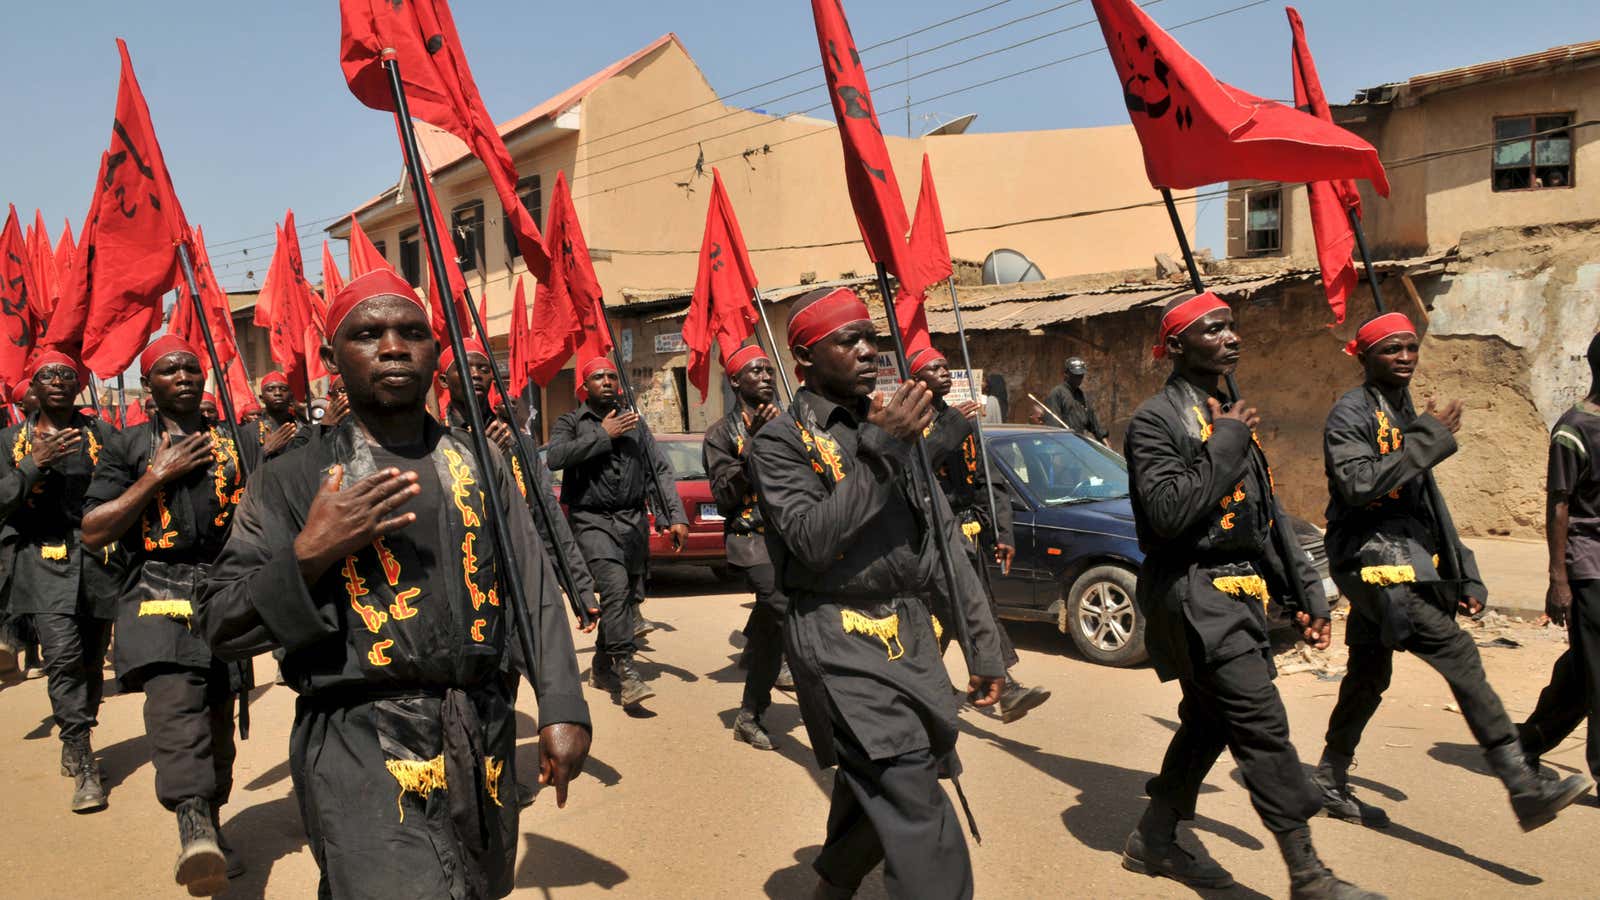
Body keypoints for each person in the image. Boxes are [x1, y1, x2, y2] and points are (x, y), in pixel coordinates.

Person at [196, 271, 591, 899]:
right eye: (368, 334)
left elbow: (531, 583)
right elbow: (221, 621)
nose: (393, 347)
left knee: (473, 889)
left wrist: (562, 705)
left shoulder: (479, 462)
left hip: (477, 733)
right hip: (358, 738)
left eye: (412, 333)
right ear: (331, 359)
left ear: (437, 352)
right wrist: (307, 556)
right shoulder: (292, 478)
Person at [747, 287, 1007, 900]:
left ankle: (832, 887)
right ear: (807, 358)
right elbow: (812, 539)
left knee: (886, 777)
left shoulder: (892, 423)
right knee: (911, 788)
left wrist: (983, 646)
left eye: (873, 338)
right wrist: (884, 452)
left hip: (910, 636)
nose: (869, 351)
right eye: (850, 340)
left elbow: (941, 541)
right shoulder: (781, 442)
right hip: (837, 641)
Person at [1122, 292, 1377, 899]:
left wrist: (1305, 593)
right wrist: (1227, 440)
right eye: (1214, 330)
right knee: (1260, 722)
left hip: (1240, 594)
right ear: (1177, 346)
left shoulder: (1230, 413)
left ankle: (1154, 838)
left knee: (1211, 720)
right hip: (1191, 594)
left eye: (1233, 327)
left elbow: (1265, 519)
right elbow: (1166, 513)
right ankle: (1309, 875)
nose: (1231, 338)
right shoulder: (1155, 421)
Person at [1314, 313, 1590, 831]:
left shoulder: (1402, 409)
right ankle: (1522, 784)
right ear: (1364, 356)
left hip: (1407, 558)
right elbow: (1355, 485)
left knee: (1368, 675)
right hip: (1371, 560)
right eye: (1391, 349)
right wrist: (1428, 438)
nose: (1404, 358)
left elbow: (1426, 500)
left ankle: (1329, 775)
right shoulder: (1349, 413)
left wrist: (1464, 570)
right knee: (1459, 654)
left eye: (1411, 348)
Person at [80, 335, 259, 895]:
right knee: (175, 711)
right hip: (157, 593)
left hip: (225, 593)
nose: (182, 376)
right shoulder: (128, 446)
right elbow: (93, 530)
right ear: (150, 386)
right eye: (167, 370)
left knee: (217, 723)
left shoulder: (234, 443)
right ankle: (192, 824)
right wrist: (156, 475)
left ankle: (211, 817)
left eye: (190, 367)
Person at [0, 354, 122, 813]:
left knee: (91, 662)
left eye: (66, 374)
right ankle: (83, 754)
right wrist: (33, 465)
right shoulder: (9, 441)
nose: (57, 381)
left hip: (97, 561)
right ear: (33, 386)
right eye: (47, 375)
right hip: (39, 560)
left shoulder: (103, 435)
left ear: (79, 385)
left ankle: (79, 733)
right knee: (63, 656)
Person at [909, 346, 1049, 722]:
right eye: (933, 368)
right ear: (915, 379)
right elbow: (913, 470)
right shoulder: (908, 423)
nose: (944, 372)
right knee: (942, 618)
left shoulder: (964, 421)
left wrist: (1004, 534)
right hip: (927, 536)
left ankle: (996, 687)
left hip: (966, 534)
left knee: (973, 609)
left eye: (945, 366)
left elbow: (990, 480)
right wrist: (947, 429)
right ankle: (917, 689)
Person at [545, 357, 687, 708]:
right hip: (592, 521)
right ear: (585, 386)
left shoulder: (635, 423)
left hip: (632, 522)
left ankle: (600, 664)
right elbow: (556, 457)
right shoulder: (571, 422)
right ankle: (627, 671)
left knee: (623, 599)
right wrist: (602, 436)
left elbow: (659, 471)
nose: (607, 381)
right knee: (613, 587)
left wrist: (675, 515)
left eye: (611, 376)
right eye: (598, 377)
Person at [438, 338, 598, 627]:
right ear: (443, 380)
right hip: (464, 588)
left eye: (483, 368)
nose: (475, 374)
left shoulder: (518, 443)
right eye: (464, 367)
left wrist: (579, 588)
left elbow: (547, 518)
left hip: (518, 578)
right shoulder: (434, 443)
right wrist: (480, 453)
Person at [1520, 332, 1600, 785]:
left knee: (1584, 670)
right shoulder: (1572, 430)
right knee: (1596, 672)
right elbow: (1559, 504)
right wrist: (1559, 579)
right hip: (1589, 566)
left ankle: (1526, 742)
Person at [703, 344, 791, 751]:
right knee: (782, 610)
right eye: (756, 371)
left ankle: (749, 713)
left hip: (794, 536)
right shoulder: (720, 435)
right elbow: (724, 497)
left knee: (775, 629)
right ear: (736, 381)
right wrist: (755, 442)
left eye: (769, 371)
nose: (766, 377)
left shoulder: (791, 422)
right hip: (752, 539)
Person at [1044, 357, 1109, 443]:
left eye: (1081, 375)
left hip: (1079, 444)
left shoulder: (1081, 396)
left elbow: (1094, 424)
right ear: (1066, 374)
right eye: (1076, 375)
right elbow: (1053, 426)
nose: (1079, 378)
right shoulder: (1057, 394)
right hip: (1063, 445)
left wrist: (1104, 441)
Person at [256, 371, 306, 458]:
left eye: (283, 389)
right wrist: (265, 451)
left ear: (291, 396)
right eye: (270, 389)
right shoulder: (251, 431)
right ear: (262, 398)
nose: (277, 393)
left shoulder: (302, 426)